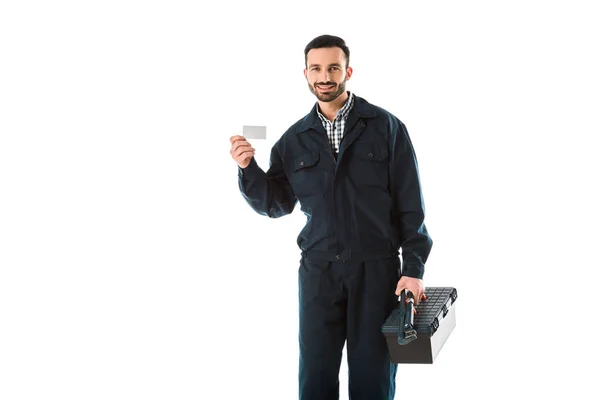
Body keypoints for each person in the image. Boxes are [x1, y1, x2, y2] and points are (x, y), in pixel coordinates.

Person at [229, 34, 433, 400]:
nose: (325, 76)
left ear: (348, 71)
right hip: (319, 273)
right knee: (315, 376)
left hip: (377, 271)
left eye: (333, 68)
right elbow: (275, 204)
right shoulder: (293, 140)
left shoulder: (387, 128)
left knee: (373, 377)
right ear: (305, 74)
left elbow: (411, 208)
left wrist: (413, 270)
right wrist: (248, 169)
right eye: (317, 69)